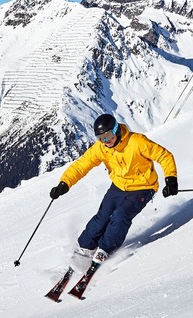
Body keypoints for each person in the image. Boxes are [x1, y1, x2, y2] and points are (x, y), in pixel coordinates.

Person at [48, 113, 178, 270]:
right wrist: (65, 183)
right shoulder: (102, 148)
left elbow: (164, 156)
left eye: (108, 136)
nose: (106, 141)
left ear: (116, 130)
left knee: (120, 215)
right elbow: (82, 165)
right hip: (118, 186)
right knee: (102, 218)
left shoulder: (137, 142)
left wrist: (170, 179)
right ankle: (84, 248)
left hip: (143, 187)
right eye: (101, 138)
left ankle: (105, 249)